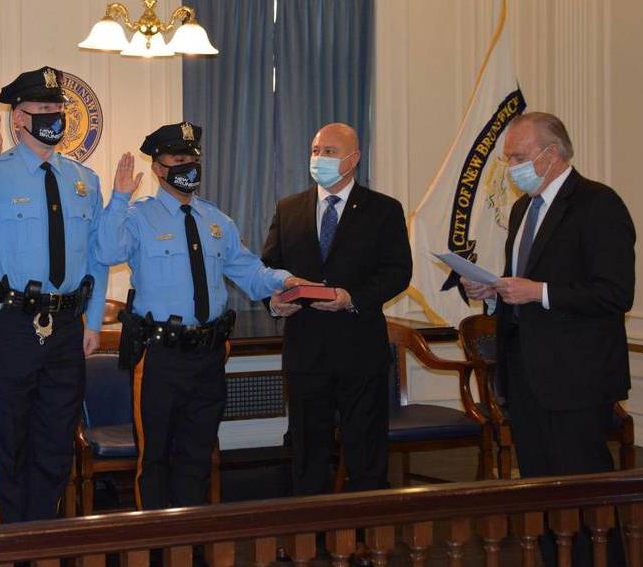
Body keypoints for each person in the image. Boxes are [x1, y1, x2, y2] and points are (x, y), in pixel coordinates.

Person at [95, 122, 307, 510]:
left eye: (193, 158)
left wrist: (286, 280)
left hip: (208, 356)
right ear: (159, 168)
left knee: (197, 456)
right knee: (155, 458)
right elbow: (107, 251)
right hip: (159, 356)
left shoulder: (217, 221)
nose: (189, 165)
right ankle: (158, 546)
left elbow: (250, 272)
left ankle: (191, 546)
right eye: (179, 159)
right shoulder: (139, 216)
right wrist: (118, 198)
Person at [461, 111, 633, 567]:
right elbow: (521, 285)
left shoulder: (599, 204)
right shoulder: (522, 209)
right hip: (525, 374)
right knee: (539, 489)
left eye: (517, 157)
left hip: (578, 376)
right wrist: (493, 293)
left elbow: (616, 292)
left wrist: (539, 292)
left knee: (584, 491)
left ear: (551, 154)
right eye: (507, 159)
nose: (510, 167)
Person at [0, 66, 109, 524]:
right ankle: (12, 540)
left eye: (58, 108)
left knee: (56, 443)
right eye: (41, 109)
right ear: (18, 118)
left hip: (68, 329)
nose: (52, 116)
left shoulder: (84, 179)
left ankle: (43, 540)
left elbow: (96, 258)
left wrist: (92, 322)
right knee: (10, 443)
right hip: (13, 325)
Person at [261, 122, 412, 495]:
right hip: (306, 352)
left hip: (359, 350)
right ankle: (311, 540)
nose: (319, 159)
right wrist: (275, 301)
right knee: (309, 454)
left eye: (329, 151)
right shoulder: (289, 208)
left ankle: (363, 542)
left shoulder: (383, 210)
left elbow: (397, 273)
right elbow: (268, 269)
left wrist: (352, 297)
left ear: (353, 158)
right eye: (315, 151)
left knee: (366, 455)